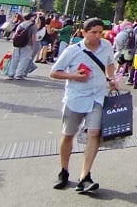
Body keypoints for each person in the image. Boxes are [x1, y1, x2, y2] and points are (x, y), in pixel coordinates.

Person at [49, 17, 118, 193]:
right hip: (75, 97)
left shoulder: (106, 46)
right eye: (93, 32)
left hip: (98, 97)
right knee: (68, 135)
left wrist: (110, 78)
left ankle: (85, 176)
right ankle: (64, 171)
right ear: (84, 32)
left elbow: (110, 63)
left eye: (100, 32)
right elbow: (54, 72)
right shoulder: (73, 50)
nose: (97, 36)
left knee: (94, 133)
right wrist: (73, 76)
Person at [8, 12, 38, 80]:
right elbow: (33, 36)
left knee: (15, 59)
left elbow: (15, 34)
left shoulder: (21, 24)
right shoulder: (33, 25)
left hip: (18, 43)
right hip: (28, 44)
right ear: (31, 17)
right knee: (24, 59)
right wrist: (33, 45)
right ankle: (18, 74)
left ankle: (11, 73)